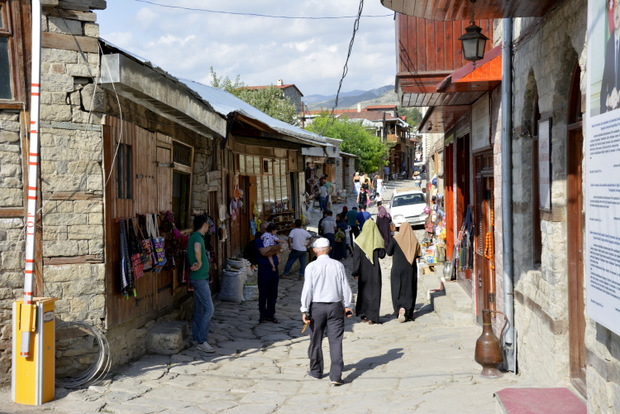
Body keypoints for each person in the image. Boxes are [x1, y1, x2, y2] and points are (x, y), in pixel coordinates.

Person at [300, 237, 353, 386]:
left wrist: (305, 309)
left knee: (315, 340)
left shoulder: (311, 267)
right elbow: (345, 285)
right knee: (336, 341)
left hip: (316, 308)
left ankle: (316, 372)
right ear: (330, 249)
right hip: (335, 306)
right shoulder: (337, 265)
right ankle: (336, 376)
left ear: (315, 250)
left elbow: (307, 290)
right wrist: (348, 304)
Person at [188, 214, 215, 353]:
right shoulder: (198, 238)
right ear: (204, 224)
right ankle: (202, 340)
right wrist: (199, 262)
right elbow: (197, 249)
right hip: (199, 279)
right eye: (208, 223)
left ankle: (196, 337)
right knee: (209, 309)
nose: (209, 226)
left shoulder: (194, 236)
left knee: (199, 310)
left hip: (199, 277)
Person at [386, 224, 422, 323]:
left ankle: (400, 308)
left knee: (397, 288)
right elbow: (419, 254)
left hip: (397, 269)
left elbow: (388, 252)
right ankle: (409, 311)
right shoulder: (414, 239)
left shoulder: (396, 238)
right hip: (410, 269)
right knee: (409, 288)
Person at [352, 220, 386, 325]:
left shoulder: (359, 241)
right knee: (375, 293)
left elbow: (356, 258)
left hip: (363, 272)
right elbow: (382, 255)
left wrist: (355, 272)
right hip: (374, 271)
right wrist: (381, 243)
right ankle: (373, 317)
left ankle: (364, 315)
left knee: (363, 292)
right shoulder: (377, 240)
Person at [255, 221, 283, 323]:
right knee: (263, 293)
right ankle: (263, 315)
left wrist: (271, 249)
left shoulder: (274, 240)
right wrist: (272, 249)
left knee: (273, 293)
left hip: (274, 269)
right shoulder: (259, 241)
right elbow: (263, 253)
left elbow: (279, 249)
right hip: (264, 269)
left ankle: (271, 314)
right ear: (263, 231)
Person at [601, 0, 620, 113]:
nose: (615, 10)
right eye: (613, 7)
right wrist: (608, 100)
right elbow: (604, 86)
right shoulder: (610, 45)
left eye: (618, 5)